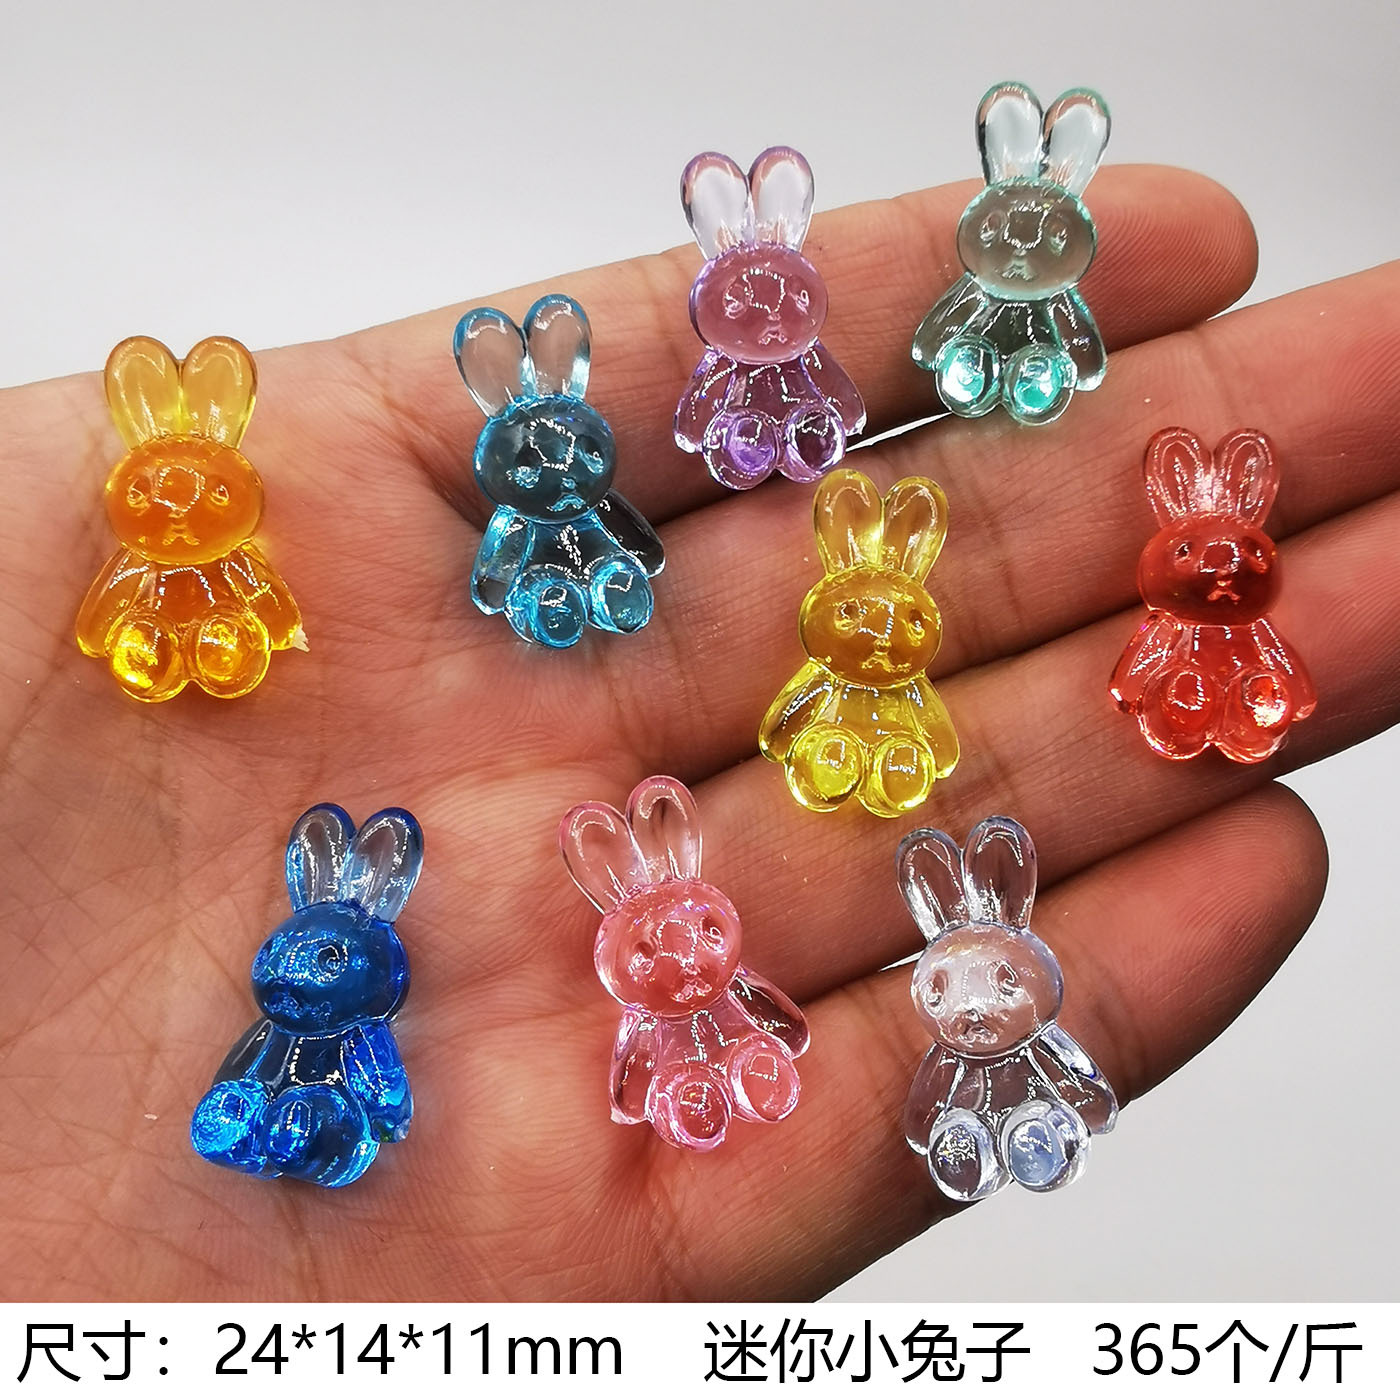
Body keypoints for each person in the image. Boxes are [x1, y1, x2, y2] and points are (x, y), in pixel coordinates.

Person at [0, 164, 1391, 1301]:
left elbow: (777, 971)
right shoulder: (503, 937)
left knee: (956, 720)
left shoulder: (869, 650)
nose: (673, 953)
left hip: (879, 717)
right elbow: (543, 569)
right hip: (473, 649)